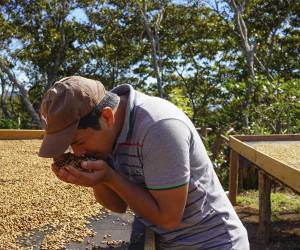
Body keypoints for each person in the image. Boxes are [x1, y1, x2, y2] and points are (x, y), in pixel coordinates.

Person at [39, 76, 249, 250]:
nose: (77, 152)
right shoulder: (107, 133)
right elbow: (118, 205)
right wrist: (96, 180)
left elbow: (168, 218)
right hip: (169, 241)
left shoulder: (159, 129)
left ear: (107, 116)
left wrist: (109, 176)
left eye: (79, 142)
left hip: (213, 242)